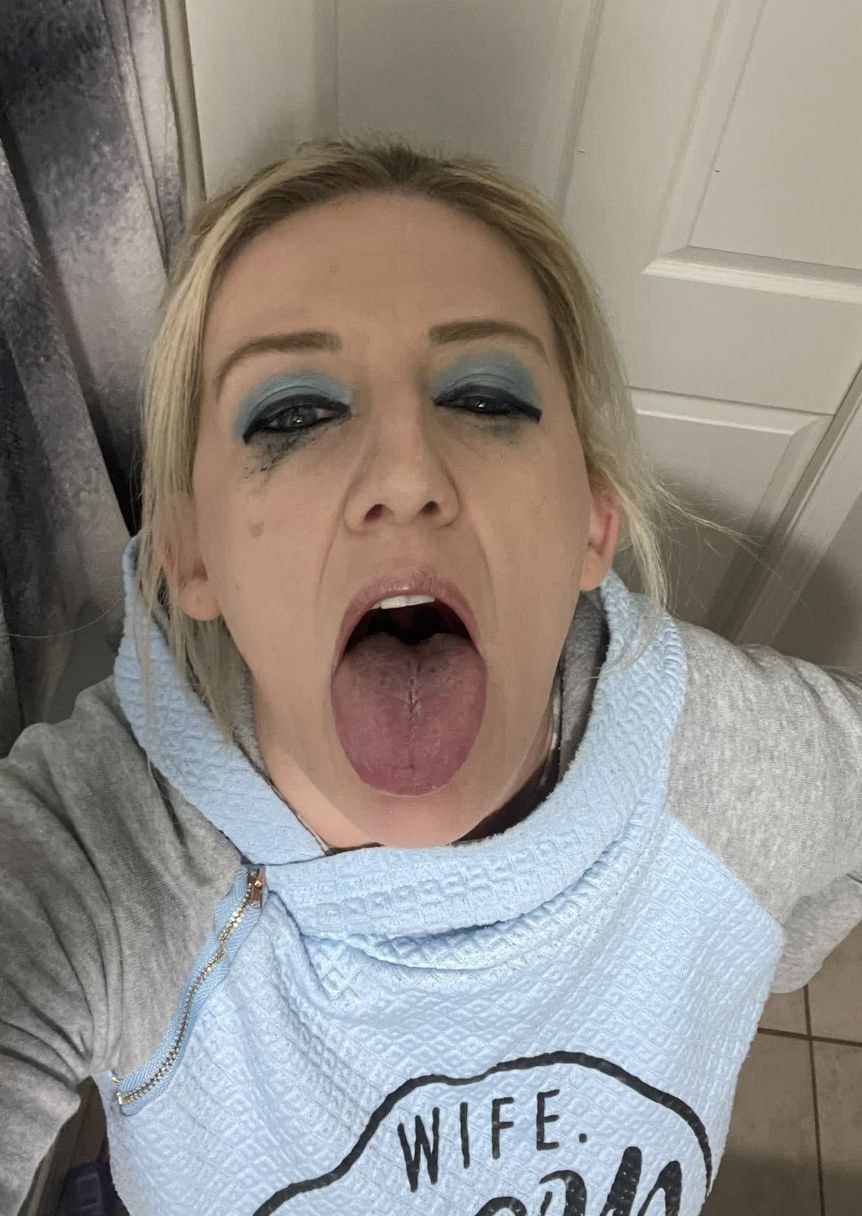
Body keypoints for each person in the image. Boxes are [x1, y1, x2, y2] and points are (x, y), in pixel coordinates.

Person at [2, 134, 861, 1216]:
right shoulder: (103, 863)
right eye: (293, 413)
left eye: (488, 398)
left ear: (592, 524)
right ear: (191, 554)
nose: (405, 472)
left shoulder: (744, 759)